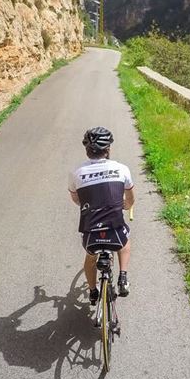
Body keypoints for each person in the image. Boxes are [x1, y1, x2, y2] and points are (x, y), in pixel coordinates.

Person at [68, 127, 135, 304]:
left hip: (91, 234)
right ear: (108, 150)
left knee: (90, 258)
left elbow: (77, 199)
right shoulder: (122, 169)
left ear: (87, 151)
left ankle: (92, 291)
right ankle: (123, 277)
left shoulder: (76, 172)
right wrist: (125, 206)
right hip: (115, 233)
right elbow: (130, 200)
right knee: (125, 241)